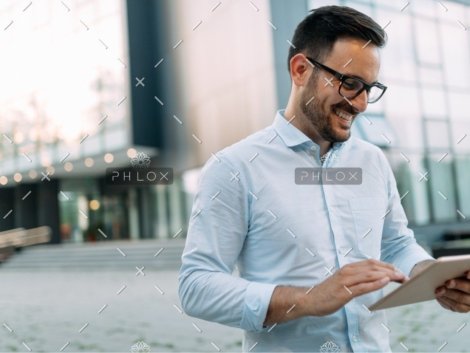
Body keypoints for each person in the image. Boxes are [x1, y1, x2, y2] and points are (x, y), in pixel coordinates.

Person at [178, 5, 470, 352]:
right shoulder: (235, 168)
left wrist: (431, 277)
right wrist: (308, 299)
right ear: (301, 69)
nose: (361, 104)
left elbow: (394, 243)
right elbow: (196, 286)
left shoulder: (371, 162)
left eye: (369, 88)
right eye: (350, 84)